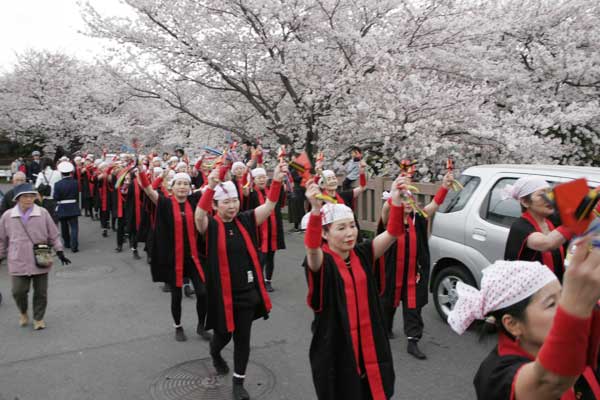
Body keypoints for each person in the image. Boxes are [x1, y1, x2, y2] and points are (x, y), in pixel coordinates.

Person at [448, 242, 600, 400]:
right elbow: (551, 382)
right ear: (512, 324)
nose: (563, 308)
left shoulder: (573, 343)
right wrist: (577, 305)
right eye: (551, 304)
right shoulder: (496, 375)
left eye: (562, 296)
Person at [301, 175, 407, 400]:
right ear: (324, 233)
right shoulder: (322, 262)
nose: (350, 233)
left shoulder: (362, 253)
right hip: (337, 345)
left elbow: (393, 233)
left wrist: (396, 201)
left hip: (370, 339)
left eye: (352, 226)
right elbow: (311, 249)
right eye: (341, 228)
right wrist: (315, 211)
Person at [194, 161, 287, 400]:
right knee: (223, 336)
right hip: (222, 294)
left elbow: (269, 206)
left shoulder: (245, 220)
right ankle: (215, 353)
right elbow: (199, 216)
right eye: (226, 202)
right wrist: (211, 187)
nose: (232, 206)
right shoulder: (211, 226)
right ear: (216, 204)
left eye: (234, 201)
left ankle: (238, 382)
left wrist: (275, 181)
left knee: (243, 338)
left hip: (246, 292)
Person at [376, 172, 453, 360]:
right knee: (387, 303)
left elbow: (434, 205)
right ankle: (385, 328)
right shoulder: (390, 223)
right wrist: (395, 192)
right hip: (392, 273)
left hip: (413, 274)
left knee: (413, 307)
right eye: (405, 200)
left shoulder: (418, 219)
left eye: (412, 200)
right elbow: (385, 211)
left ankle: (413, 341)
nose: (410, 204)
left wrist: (444, 186)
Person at [138, 170, 211, 342]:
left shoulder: (194, 201)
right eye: (179, 183)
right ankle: (178, 326)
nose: (182, 187)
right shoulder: (164, 203)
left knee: (203, 292)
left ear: (189, 187)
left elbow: (210, 188)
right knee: (176, 295)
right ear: (172, 187)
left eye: (186, 184)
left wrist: (219, 174)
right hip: (173, 258)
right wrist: (141, 172)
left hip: (193, 256)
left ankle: (202, 325)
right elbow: (148, 191)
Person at [0, 184, 71, 330]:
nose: (28, 199)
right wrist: (0, 255)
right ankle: (23, 311)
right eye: (25, 196)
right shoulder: (8, 216)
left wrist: (59, 251)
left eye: (31, 196)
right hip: (17, 258)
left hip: (41, 255)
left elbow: (53, 234)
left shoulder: (43, 213)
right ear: (17, 199)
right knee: (18, 291)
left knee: (41, 292)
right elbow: (2, 239)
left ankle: (38, 318)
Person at [504, 176, 573, 282]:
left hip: (554, 288)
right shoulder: (520, 226)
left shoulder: (552, 220)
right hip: (530, 292)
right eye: (541, 195)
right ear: (525, 202)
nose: (549, 198)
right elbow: (547, 243)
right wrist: (575, 221)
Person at [247, 167, 286, 292]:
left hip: (273, 230)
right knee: (260, 258)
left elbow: (281, 201)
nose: (262, 180)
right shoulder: (251, 194)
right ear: (254, 180)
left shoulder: (272, 191)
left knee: (271, 257)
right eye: (259, 178)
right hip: (259, 231)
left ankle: (268, 280)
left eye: (264, 177)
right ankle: (257, 280)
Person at [54, 161, 81, 253]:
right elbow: (77, 195)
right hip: (73, 205)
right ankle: (74, 246)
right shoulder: (76, 183)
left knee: (64, 226)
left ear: (61, 173)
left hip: (62, 206)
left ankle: (67, 243)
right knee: (74, 227)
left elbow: (56, 197)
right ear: (71, 172)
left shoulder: (57, 184)